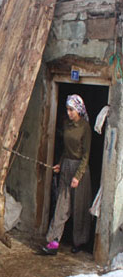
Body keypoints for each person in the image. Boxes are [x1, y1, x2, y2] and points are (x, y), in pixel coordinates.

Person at [41, 94, 92, 255]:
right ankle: (53, 242)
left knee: (79, 207)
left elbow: (86, 155)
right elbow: (65, 149)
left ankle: (79, 242)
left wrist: (78, 176)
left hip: (80, 169)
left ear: (78, 109)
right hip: (66, 166)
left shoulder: (85, 127)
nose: (69, 113)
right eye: (67, 109)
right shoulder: (67, 125)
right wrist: (60, 163)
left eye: (71, 110)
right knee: (62, 205)